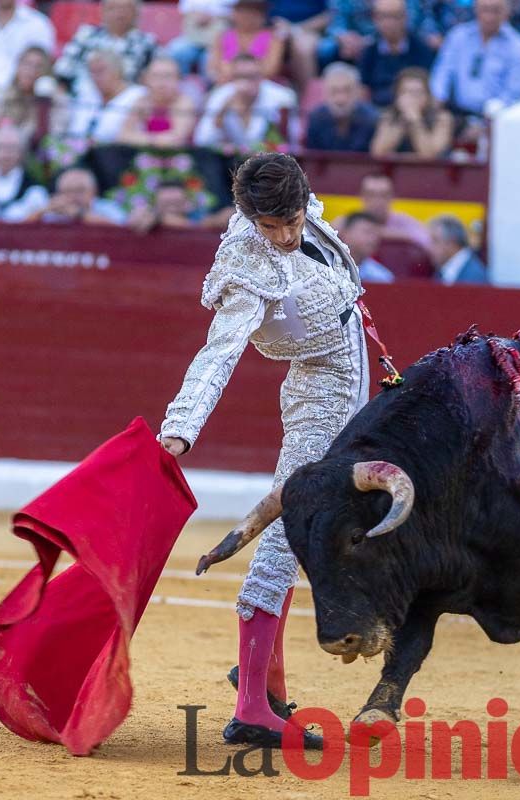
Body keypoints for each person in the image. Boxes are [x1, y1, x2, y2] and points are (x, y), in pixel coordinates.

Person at [158, 152, 365, 751]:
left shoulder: (302, 211)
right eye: (269, 227)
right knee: (284, 529)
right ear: (248, 218)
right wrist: (181, 427)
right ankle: (251, 707)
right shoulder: (245, 267)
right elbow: (218, 353)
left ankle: (266, 682)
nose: (284, 236)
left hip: (348, 382)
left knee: (302, 530)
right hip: (319, 395)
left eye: (290, 220)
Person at [429, 0, 520, 119]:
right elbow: (443, 71)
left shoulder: (518, 47)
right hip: (457, 113)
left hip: (498, 117)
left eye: (495, 11)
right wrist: (437, 98)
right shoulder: (458, 36)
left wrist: (494, 111)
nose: (489, 17)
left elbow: (515, 91)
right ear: (475, 10)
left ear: (507, 13)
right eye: (485, 10)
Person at [193, 53, 300, 152]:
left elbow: (294, 140)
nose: (245, 83)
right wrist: (223, 111)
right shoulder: (220, 96)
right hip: (229, 163)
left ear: (261, 76)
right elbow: (202, 140)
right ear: (232, 77)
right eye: (240, 76)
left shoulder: (283, 97)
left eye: (251, 76)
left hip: (268, 162)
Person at [54, 0, 158, 94]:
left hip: (128, 103)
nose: (120, 13)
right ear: (102, 11)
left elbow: (153, 82)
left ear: (137, 13)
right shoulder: (86, 35)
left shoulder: (147, 43)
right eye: (113, 8)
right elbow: (63, 70)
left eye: (126, 8)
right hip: (81, 97)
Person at [0, 45, 69, 140]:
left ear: (47, 71)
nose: (31, 71)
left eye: (38, 66)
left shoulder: (57, 99)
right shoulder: (1, 93)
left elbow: (56, 134)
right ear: (18, 66)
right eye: (27, 64)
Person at [357, 0, 435, 107]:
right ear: (375, 19)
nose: (389, 22)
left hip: (414, 107)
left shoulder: (421, 50)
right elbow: (363, 90)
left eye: (395, 16)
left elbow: (427, 88)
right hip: (376, 112)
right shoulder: (368, 53)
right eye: (383, 16)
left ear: (405, 17)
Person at [66, 48, 148, 145]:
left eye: (101, 71)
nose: (96, 77)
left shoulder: (138, 95)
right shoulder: (86, 95)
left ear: (118, 71)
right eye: (92, 72)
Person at [333, 173, 431, 252]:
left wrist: (381, 232)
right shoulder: (344, 223)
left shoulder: (405, 223)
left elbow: (428, 244)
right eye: (371, 195)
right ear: (362, 196)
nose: (377, 201)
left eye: (383, 195)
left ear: (392, 197)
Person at [370, 66, 452, 158]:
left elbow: (430, 155)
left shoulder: (442, 118)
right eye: (406, 92)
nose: (412, 98)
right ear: (397, 95)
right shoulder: (389, 116)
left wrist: (416, 121)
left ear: (428, 96)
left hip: (431, 171)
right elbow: (378, 152)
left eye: (418, 92)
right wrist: (402, 121)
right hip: (396, 170)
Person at [116, 56, 198, 149]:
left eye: (168, 76)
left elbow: (176, 138)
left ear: (178, 79)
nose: (162, 83)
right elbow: (122, 135)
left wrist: (142, 138)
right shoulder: (143, 101)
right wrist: (154, 140)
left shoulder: (184, 102)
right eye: (156, 76)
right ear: (146, 79)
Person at [304, 62, 376, 153]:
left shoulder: (372, 119)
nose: (341, 99)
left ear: (358, 92)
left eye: (347, 91)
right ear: (325, 93)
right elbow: (311, 159)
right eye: (334, 91)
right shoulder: (315, 117)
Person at [208, 0, 283, 85]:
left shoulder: (274, 38)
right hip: (227, 85)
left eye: (253, 11)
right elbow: (213, 67)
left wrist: (233, 70)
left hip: (264, 85)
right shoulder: (222, 36)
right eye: (242, 11)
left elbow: (271, 69)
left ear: (262, 15)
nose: (247, 15)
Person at [25, 167, 126, 224]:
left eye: (80, 191)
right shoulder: (52, 212)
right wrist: (43, 211)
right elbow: (17, 229)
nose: (73, 196)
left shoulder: (108, 208)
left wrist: (80, 214)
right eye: (67, 191)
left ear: (94, 192)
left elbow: (121, 230)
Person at [126, 178, 233, 232]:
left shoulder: (200, 215)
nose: (171, 211)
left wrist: (161, 219)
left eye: (176, 203)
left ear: (187, 203)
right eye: (166, 204)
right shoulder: (144, 215)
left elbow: (225, 215)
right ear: (155, 204)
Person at [165, 0, 231, 77]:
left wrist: (212, 16)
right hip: (192, 38)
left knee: (209, 59)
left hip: (217, 41)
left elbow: (235, 12)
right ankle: (179, 82)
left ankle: (209, 87)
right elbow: (184, 11)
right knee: (176, 49)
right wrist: (197, 16)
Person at [429, 213, 487, 284]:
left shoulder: (475, 278)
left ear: (451, 242)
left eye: (435, 241)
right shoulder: (441, 272)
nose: (430, 247)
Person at [339, 211, 395, 282]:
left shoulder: (382, 278)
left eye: (376, 234)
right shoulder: (324, 266)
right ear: (345, 233)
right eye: (367, 232)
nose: (373, 239)